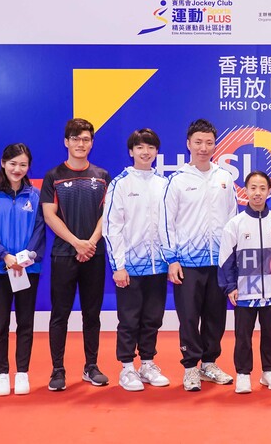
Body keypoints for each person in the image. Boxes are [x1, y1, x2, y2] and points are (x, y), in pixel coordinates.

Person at [162, 118, 237, 391]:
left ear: (215, 145)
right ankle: (191, 368)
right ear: (188, 144)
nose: (204, 147)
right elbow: (166, 222)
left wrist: (231, 261)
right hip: (187, 262)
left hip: (218, 262)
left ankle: (209, 364)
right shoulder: (177, 181)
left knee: (216, 315)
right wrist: (172, 259)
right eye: (198, 142)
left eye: (209, 142)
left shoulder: (224, 178)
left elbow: (233, 221)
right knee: (190, 316)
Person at [41, 118, 111, 391]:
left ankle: (91, 366)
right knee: (60, 314)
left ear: (92, 143)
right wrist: (76, 243)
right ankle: (57, 370)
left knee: (92, 314)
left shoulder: (103, 176)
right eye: (75, 139)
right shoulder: (53, 176)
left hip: (94, 254)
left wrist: (90, 242)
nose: (81, 144)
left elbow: (108, 215)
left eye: (86, 139)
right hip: (63, 255)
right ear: (66, 142)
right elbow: (49, 215)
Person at [103, 128, 170, 392]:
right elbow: (112, 227)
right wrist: (118, 266)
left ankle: (148, 364)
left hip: (159, 266)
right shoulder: (120, 184)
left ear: (156, 151)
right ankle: (127, 368)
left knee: (153, 318)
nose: (146, 152)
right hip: (130, 267)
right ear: (131, 151)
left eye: (151, 147)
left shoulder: (164, 184)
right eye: (140, 147)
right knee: (129, 318)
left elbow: (171, 225)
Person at [0, 143, 45, 396]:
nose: (18, 169)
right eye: (13, 163)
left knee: (25, 323)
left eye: (23, 164)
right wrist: (4, 256)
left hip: (28, 269)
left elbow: (39, 230)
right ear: (3, 163)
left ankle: (23, 373)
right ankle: (2, 374)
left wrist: (27, 257)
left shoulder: (35, 195)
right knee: (1, 323)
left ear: (28, 167)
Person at [218, 171, 271, 394]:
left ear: (269, 191)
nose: (257, 193)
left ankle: (269, 372)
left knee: (270, 333)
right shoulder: (235, 224)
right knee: (243, 335)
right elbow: (225, 260)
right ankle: (243, 374)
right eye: (253, 188)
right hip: (244, 293)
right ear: (245, 191)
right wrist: (230, 286)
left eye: (262, 188)